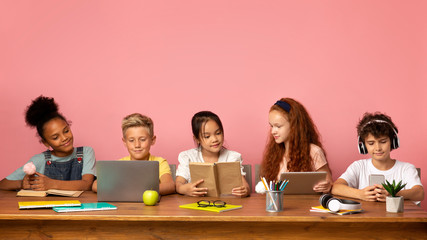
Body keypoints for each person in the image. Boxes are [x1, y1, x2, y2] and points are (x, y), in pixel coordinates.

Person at [0, 96, 95, 191]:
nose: (64, 138)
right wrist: (22, 183)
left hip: (81, 205)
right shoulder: (40, 160)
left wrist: (52, 184)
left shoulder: (86, 153)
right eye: (55, 137)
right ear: (45, 143)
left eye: (66, 131)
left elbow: (86, 185)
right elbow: (2, 184)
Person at [332, 112, 424, 202]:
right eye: (371, 143)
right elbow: (336, 187)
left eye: (383, 142)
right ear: (363, 146)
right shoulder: (358, 166)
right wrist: (360, 194)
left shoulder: (406, 168)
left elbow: (419, 193)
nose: (378, 148)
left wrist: (393, 194)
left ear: (393, 142)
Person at [255, 98, 332, 193]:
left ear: (294, 126)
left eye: (278, 126)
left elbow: (328, 183)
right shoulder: (274, 154)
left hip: (306, 205)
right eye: (271, 126)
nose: (273, 131)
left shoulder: (314, 151)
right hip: (281, 205)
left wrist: (326, 186)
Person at [92, 113, 175, 195]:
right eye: (131, 140)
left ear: (152, 140)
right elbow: (95, 185)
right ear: (125, 142)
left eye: (142, 139)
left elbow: (170, 185)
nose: (137, 145)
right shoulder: (119, 165)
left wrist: (140, 191)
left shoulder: (160, 162)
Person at [175, 111, 250, 197]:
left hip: (226, 205)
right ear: (196, 139)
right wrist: (185, 189)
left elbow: (245, 186)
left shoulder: (232, 157)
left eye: (218, 133)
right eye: (207, 136)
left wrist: (245, 190)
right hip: (197, 206)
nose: (214, 139)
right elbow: (178, 184)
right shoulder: (188, 157)